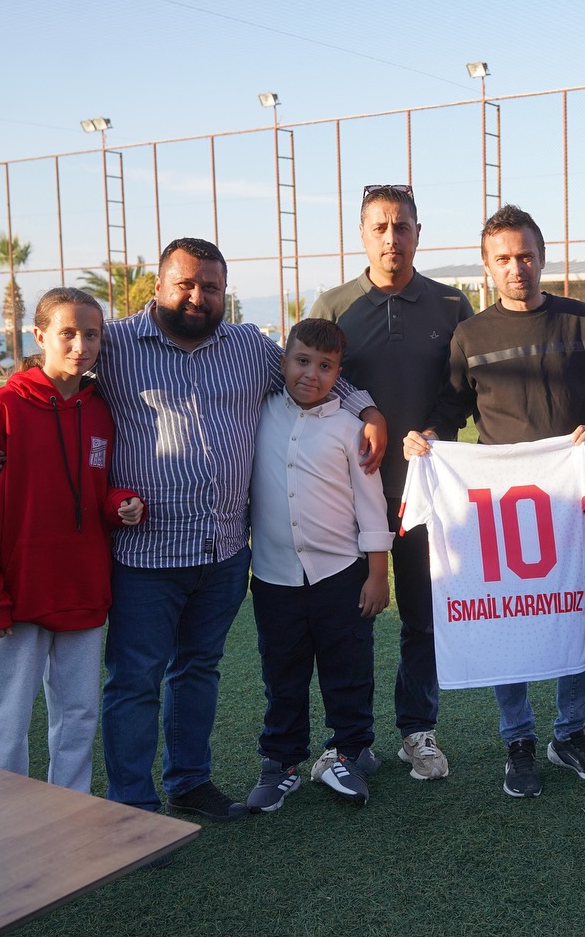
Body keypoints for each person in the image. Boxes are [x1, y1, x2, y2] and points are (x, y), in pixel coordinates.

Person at [0, 237, 388, 822]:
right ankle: (132, 803)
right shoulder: (114, 346)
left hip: (223, 552)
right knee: (134, 679)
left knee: (197, 671)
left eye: (210, 287)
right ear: (157, 286)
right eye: (184, 284)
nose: (196, 296)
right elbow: (36, 387)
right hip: (144, 553)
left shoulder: (248, 346)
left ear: (223, 292)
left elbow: (316, 378)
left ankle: (189, 782)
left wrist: (369, 410)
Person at [404, 204, 585, 798]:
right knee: (508, 617)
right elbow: (451, 408)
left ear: (542, 256)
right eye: (504, 259)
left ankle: (569, 732)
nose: (516, 267)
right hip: (498, 507)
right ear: (487, 266)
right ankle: (518, 739)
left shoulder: (580, 321)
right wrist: (425, 436)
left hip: (569, 499)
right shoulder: (471, 333)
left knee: (576, 612)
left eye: (525, 255)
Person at [308, 184, 472, 782]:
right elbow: (309, 384)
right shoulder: (333, 305)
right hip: (348, 496)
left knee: (424, 617)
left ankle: (417, 730)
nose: (391, 237)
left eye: (401, 226)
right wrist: (368, 413)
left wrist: (435, 429)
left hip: (428, 492)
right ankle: (350, 740)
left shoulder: (451, 305)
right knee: (349, 620)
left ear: (418, 233)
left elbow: (465, 393)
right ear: (362, 234)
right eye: (379, 226)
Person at [0, 288, 145, 793]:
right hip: (17, 597)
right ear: (40, 335)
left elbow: (99, 488)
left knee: (78, 720)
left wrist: (121, 503)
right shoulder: (4, 406)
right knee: (5, 725)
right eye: (67, 333)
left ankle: (71, 821)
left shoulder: (102, 410)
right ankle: (3, 826)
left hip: (83, 592)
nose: (80, 346)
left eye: (91, 335)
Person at [244, 319, 395, 813]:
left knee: (347, 667)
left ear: (339, 374)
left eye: (325, 366)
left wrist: (377, 574)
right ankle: (281, 763)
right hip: (273, 577)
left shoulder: (352, 430)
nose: (311, 374)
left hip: (341, 576)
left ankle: (349, 751)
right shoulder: (259, 414)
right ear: (283, 361)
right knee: (282, 672)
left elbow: (373, 507)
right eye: (302, 361)